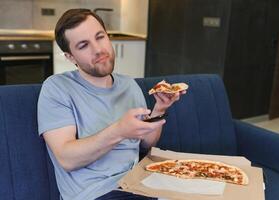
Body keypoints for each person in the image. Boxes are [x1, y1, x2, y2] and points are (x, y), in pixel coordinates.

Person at [38, 8, 186, 200]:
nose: (98, 49)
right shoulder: (56, 88)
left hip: (138, 183)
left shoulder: (129, 85)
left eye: (100, 37)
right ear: (70, 57)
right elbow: (67, 158)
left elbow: (146, 144)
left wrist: (160, 109)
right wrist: (119, 131)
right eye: (83, 45)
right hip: (98, 193)